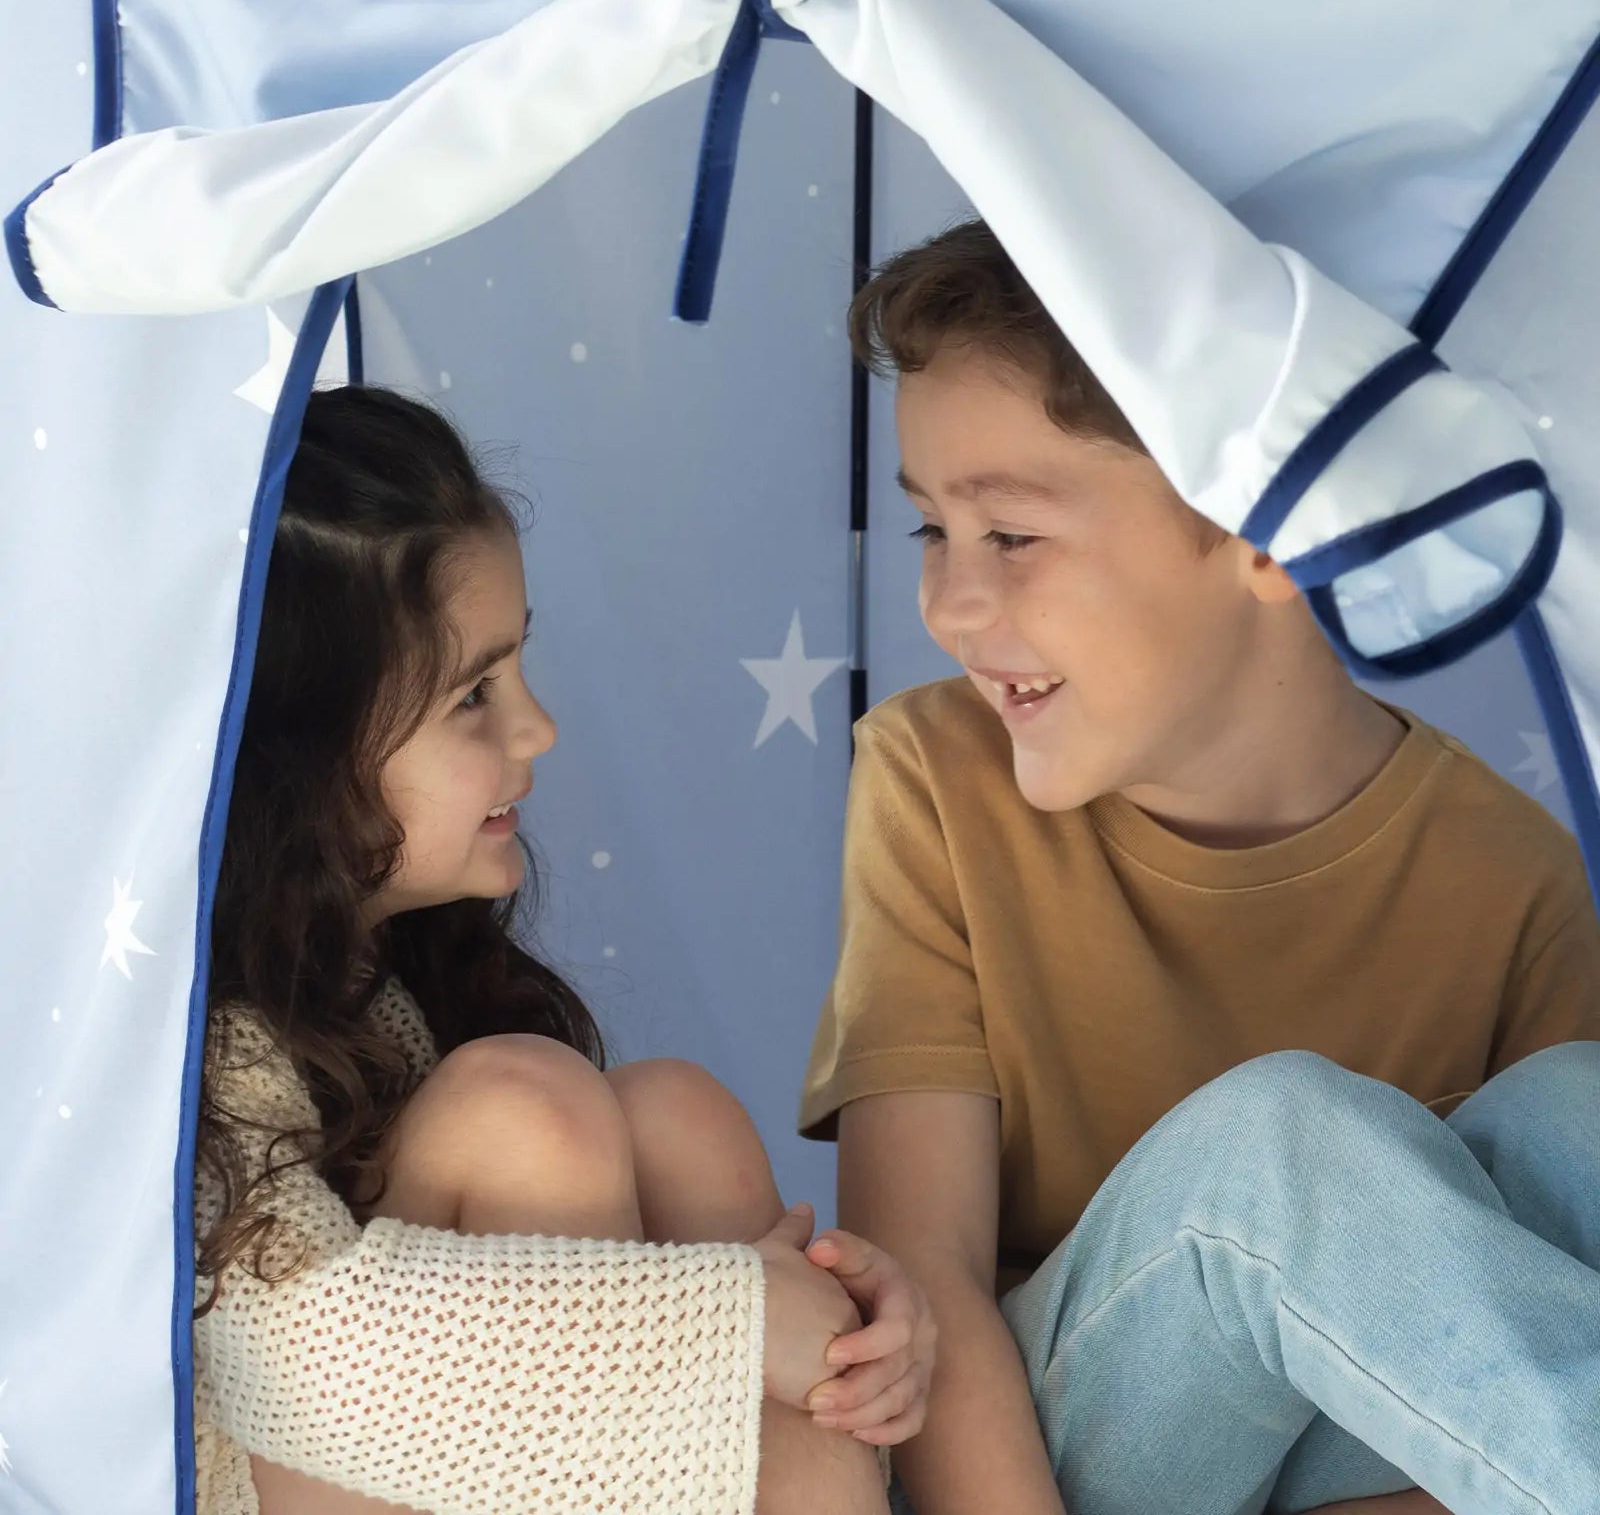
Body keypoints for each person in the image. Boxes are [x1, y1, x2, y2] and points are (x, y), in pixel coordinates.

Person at [800, 219, 1600, 1515]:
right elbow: (922, 1278)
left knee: (1580, 1115)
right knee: (1278, 1150)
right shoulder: (932, 779)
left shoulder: (1511, 875)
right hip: (1038, 1466)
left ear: (1271, 530)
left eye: (1009, 536)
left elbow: (1493, 1377)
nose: (947, 605)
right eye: (930, 535)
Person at [194, 385, 933, 1515]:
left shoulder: (393, 975)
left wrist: (847, 1330)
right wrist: (738, 1318)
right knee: (523, 1110)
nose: (536, 728)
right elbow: (298, 1359)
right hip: (294, 1449)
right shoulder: (205, 1035)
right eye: (474, 696)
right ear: (301, 753)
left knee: (673, 1111)